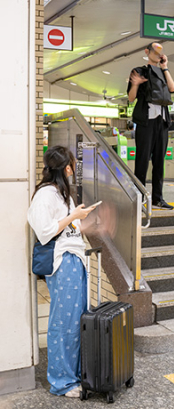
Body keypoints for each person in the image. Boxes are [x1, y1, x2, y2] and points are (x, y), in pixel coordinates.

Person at [27, 146, 98, 398]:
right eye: (72, 163)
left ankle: (73, 375)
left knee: (75, 321)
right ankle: (62, 382)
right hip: (62, 261)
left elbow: (69, 227)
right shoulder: (45, 194)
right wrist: (73, 216)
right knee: (63, 323)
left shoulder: (62, 193)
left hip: (74, 259)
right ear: (65, 167)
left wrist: (82, 218)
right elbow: (45, 231)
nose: (74, 167)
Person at [127, 42, 174, 210]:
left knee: (159, 161)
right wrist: (136, 84)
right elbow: (131, 98)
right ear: (147, 52)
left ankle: (157, 198)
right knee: (142, 160)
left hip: (162, 122)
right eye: (155, 51)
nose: (158, 54)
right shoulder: (139, 71)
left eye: (160, 52)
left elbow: (172, 88)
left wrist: (165, 67)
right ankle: (139, 198)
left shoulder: (163, 72)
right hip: (146, 121)